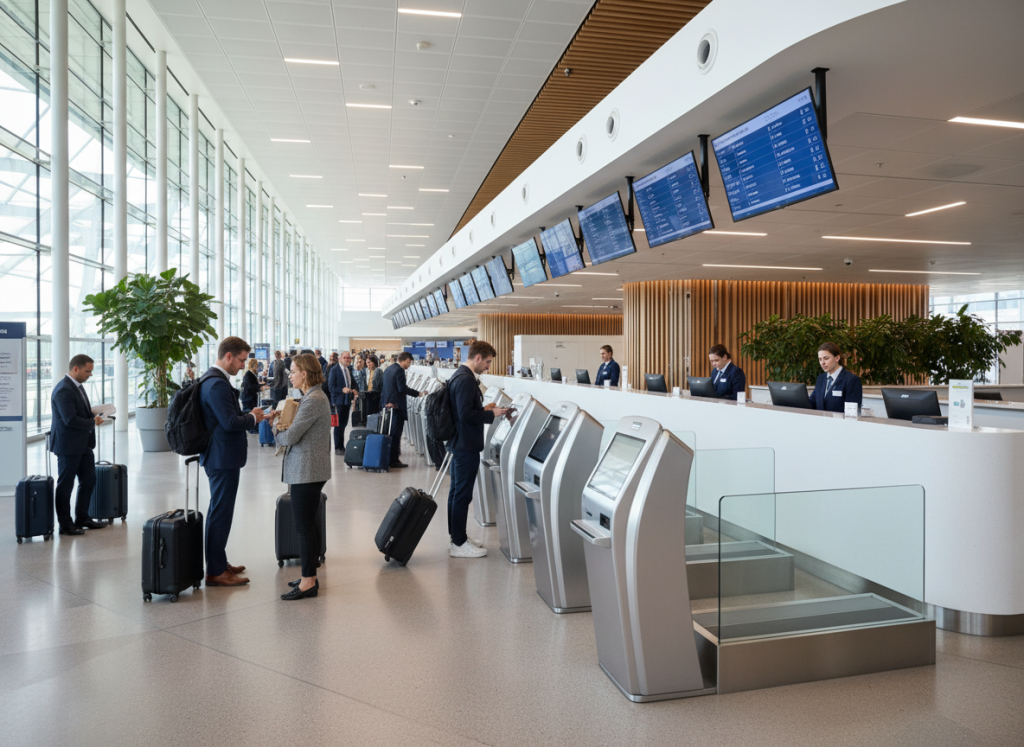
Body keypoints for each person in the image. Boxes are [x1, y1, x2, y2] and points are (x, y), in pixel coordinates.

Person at [199, 337, 266, 587]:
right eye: (240, 360)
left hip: (221, 455)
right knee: (220, 513)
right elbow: (229, 423)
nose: (242, 365)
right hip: (221, 457)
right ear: (228, 356)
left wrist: (250, 416)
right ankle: (215, 570)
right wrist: (252, 417)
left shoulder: (214, 380)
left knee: (221, 511)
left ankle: (218, 561)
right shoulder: (216, 385)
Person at [268, 353, 332, 601]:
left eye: (293, 371)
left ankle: (308, 582)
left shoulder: (313, 399)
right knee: (307, 525)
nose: (290, 375)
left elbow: (290, 436)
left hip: (307, 471)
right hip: (308, 470)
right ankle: (310, 575)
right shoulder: (311, 397)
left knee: (304, 527)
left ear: (304, 374)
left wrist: (275, 427)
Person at [445, 341, 509, 558]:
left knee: (456, 493)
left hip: (460, 443)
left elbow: (466, 410)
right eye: (488, 362)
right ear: (478, 357)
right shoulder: (465, 380)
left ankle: (457, 537)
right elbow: (465, 415)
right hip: (466, 445)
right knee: (462, 495)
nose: (489, 367)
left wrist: (483, 409)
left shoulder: (459, 375)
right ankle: (459, 544)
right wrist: (493, 414)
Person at [50, 354, 109, 535]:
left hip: (83, 444)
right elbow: (70, 419)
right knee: (66, 485)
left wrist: (94, 414)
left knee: (89, 480)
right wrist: (94, 422)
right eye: (87, 371)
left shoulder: (78, 387)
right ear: (76, 368)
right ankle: (66, 525)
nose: (90, 374)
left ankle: (82, 518)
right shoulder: (63, 390)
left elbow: (80, 412)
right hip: (68, 446)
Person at [381, 351, 421, 468]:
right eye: (408, 362)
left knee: (391, 433)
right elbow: (402, 388)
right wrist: (418, 394)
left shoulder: (389, 369)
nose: (408, 365)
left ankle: (392, 457)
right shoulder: (399, 370)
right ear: (403, 360)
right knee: (396, 434)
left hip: (389, 405)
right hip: (397, 406)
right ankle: (394, 460)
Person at [809, 342, 863, 412]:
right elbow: (812, 403)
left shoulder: (851, 380)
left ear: (837, 358)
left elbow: (852, 412)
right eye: (820, 359)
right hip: (821, 422)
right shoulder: (820, 378)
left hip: (839, 422)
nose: (822, 363)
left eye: (826, 358)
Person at [328, 351, 357, 455]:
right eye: (345, 358)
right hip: (338, 402)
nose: (347, 360)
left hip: (347, 401)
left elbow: (352, 383)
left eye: (349, 358)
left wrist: (354, 390)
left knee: (344, 424)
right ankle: (337, 447)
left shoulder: (348, 369)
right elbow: (331, 387)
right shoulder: (334, 370)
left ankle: (341, 446)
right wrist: (342, 390)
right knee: (338, 425)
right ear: (340, 358)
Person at [240, 358, 261, 434]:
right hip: (248, 398)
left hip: (250, 397)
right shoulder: (248, 374)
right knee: (250, 412)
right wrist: (259, 387)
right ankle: (251, 428)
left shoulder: (250, 374)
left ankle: (252, 428)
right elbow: (251, 386)